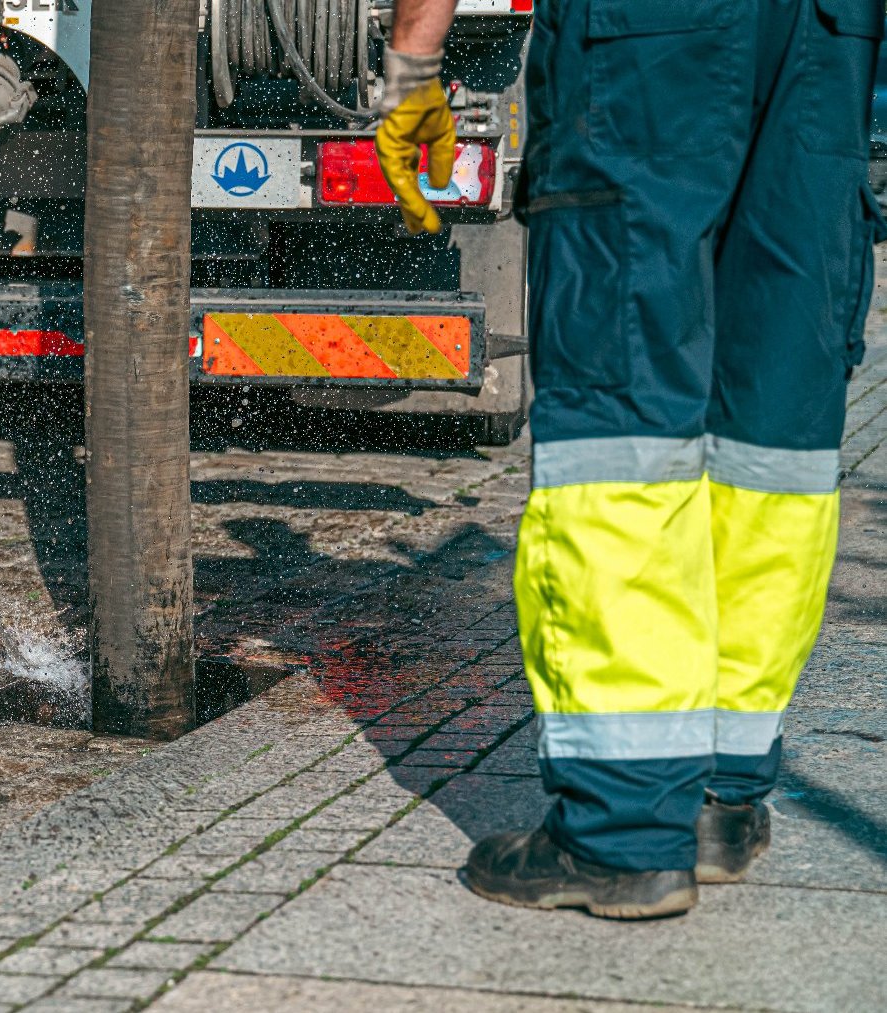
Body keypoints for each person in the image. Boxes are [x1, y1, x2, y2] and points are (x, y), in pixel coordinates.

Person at [377, 0, 883, 917]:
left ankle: (621, 832)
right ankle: (720, 803)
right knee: (769, 432)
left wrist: (416, 55)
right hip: (827, 33)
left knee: (623, 428)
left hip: (653, 35)